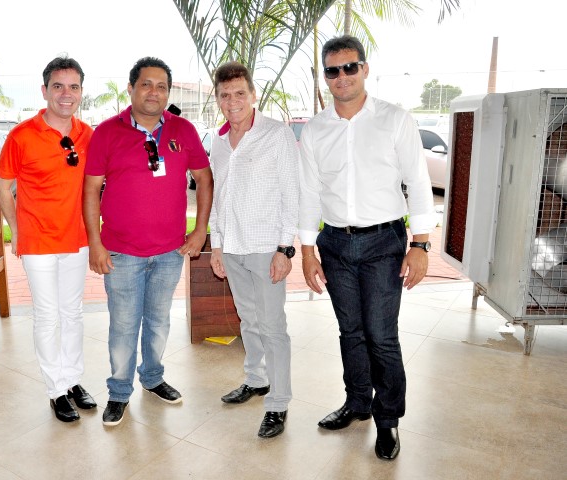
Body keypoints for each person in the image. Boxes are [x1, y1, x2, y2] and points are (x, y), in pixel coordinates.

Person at [299, 35, 435, 460]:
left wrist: (421, 244)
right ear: (325, 77)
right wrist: (307, 251)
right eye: (333, 70)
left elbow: (418, 182)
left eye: (350, 67)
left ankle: (388, 419)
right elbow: (309, 193)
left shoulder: (394, 120)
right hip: (335, 244)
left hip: (383, 242)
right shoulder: (315, 129)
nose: (342, 76)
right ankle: (357, 402)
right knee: (351, 331)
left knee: (381, 334)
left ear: (365, 69)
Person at [84, 56, 213, 427]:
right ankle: (119, 392)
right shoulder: (107, 132)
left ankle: (153, 378)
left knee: (158, 322)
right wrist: (95, 243)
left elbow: (204, 179)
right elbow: (90, 190)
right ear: (131, 88)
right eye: (146, 84)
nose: (154, 92)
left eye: (161, 86)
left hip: (170, 251)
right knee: (124, 326)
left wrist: (199, 230)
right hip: (121, 252)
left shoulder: (183, 130)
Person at [0, 56, 96, 423]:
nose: (66, 94)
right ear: (44, 91)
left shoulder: (88, 135)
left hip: (78, 238)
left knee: (72, 313)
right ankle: (56, 390)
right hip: (38, 241)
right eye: (58, 86)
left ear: (81, 92)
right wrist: (17, 228)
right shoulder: (22, 135)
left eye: (73, 87)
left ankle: (72, 380)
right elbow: (2, 186)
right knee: (48, 315)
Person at [208, 61, 298, 438]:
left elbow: (291, 194)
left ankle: (278, 403)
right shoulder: (217, 141)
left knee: (273, 326)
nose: (233, 101)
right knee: (248, 319)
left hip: (265, 247)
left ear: (253, 95)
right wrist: (216, 246)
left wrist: (285, 249)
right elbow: (218, 198)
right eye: (225, 95)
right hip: (232, 247)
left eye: (240, 94)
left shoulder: (276, 134)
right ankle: (256, 379)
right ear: (218, 98)